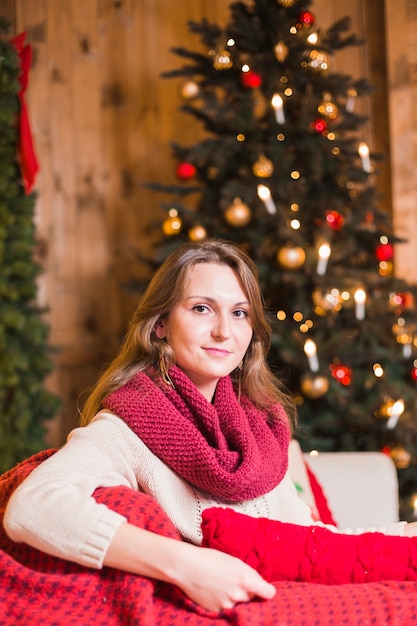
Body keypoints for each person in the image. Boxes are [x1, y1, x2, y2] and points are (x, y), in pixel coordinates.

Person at [4, 238, 417, 612]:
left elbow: (307, 540)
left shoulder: (263, 425)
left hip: (279, 599)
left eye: (239, 313)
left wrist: (404, 535)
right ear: (161, 323)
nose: (224, 330)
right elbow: (32, 505)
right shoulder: (129, 424)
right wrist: (185, 564)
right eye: (202, 308)